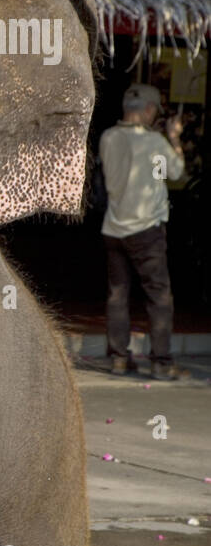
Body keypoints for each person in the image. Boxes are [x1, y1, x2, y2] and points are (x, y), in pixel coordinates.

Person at [99, 83, 187, 381]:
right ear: (149, 110)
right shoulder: (154, 144)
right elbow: (173, 174)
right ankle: (161, 362)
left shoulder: (108, 137)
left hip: (113, 228)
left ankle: (118, 359)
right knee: (159, 296)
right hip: (146, 231)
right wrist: (173, 138)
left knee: (117, 294)